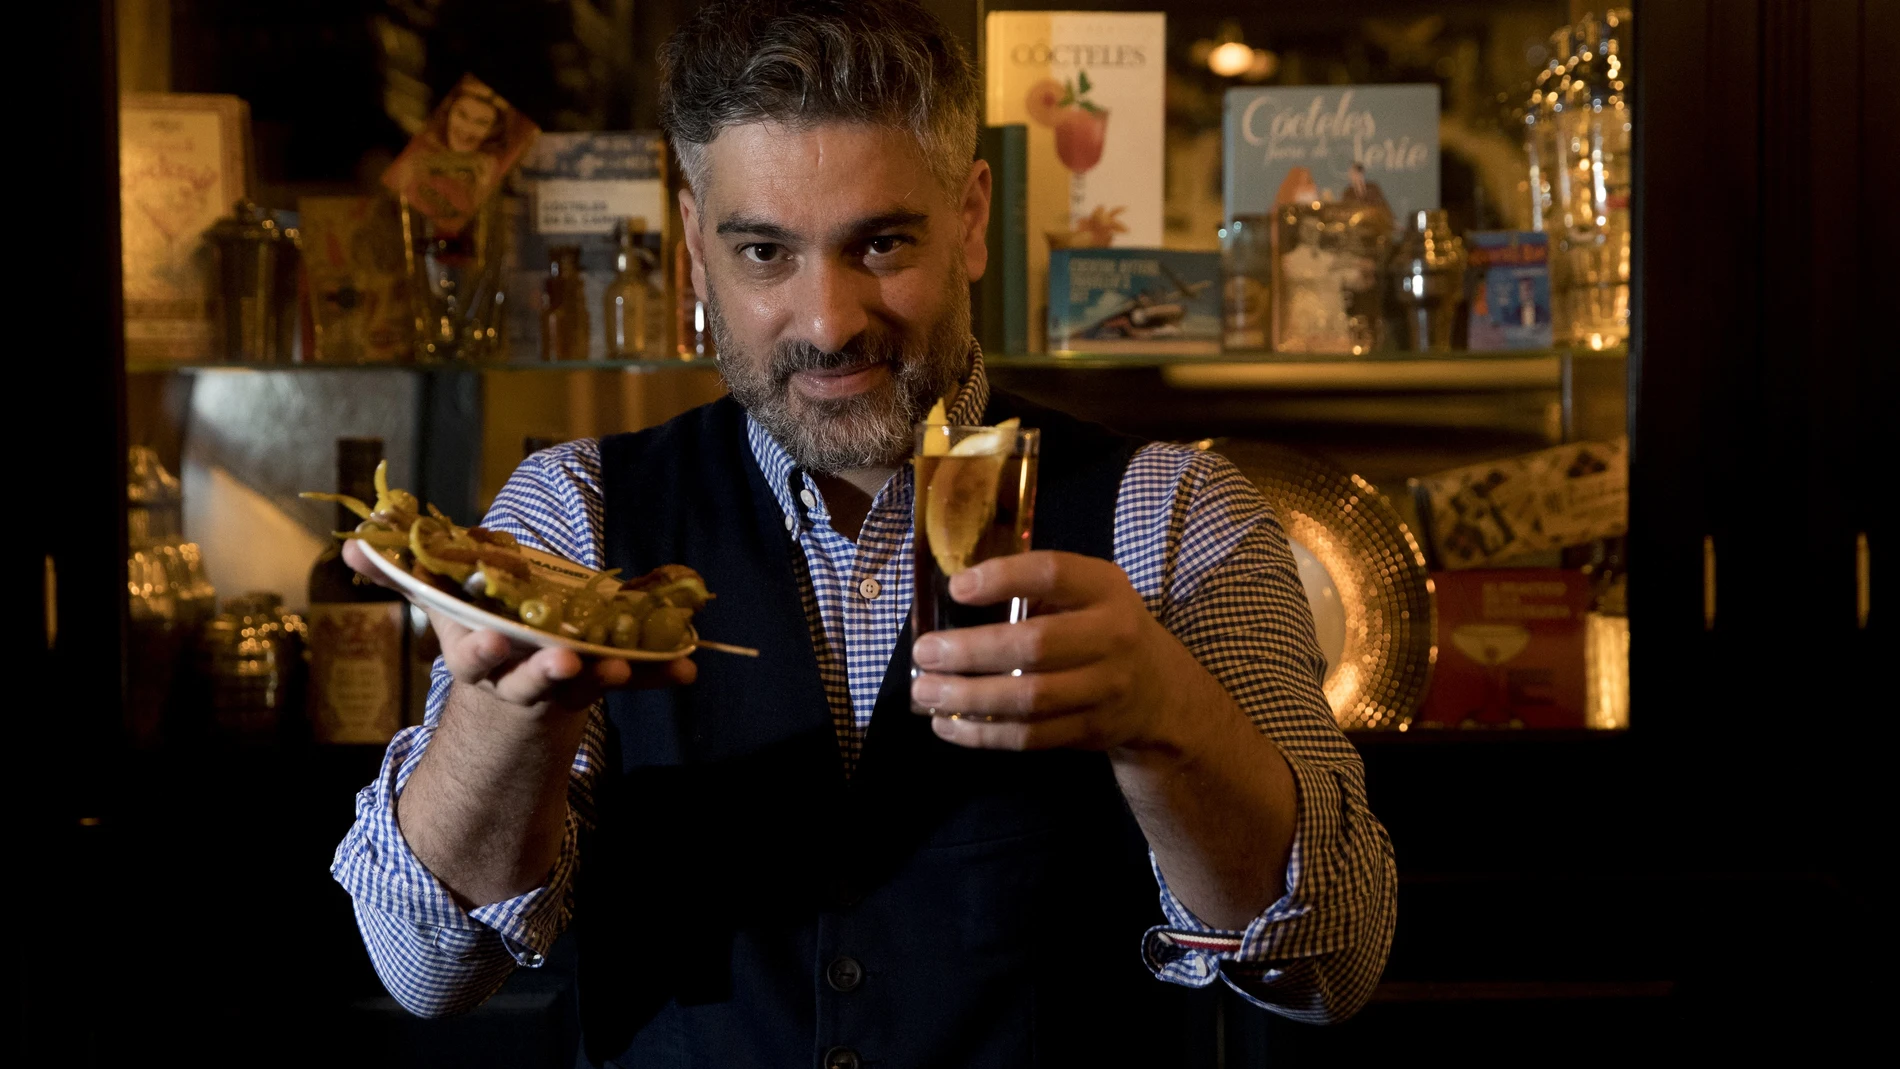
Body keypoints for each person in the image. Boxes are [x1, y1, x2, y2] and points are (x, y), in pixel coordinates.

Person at [333, 2, 1394, 1064]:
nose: (829, 318)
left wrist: (1167, 715)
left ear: (970, 218)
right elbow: (427, 971)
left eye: (880, 243)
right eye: (763, 252)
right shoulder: (569, 515)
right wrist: (500, 712)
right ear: (696, 248)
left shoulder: (1172, 516)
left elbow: (1333, 967)